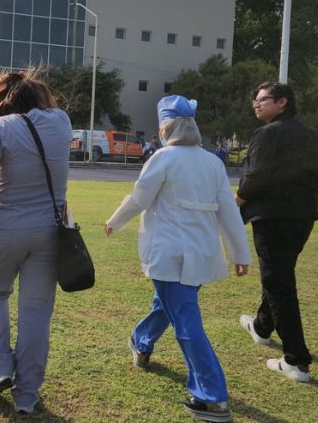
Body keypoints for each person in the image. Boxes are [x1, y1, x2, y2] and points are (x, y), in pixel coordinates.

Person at [105, 95, 250, 423]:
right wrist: (240, 253)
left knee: (186, 322)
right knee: (170, 305)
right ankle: (141, 340)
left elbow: (140, 198)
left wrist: (114, 221)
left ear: (165, 127)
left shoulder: (162, 158)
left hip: (169, 252)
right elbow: (229, 210)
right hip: (200, 254)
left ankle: (212, 397)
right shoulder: (213, 162)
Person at [0, 70, 71, 416]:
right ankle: (26, 394)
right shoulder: (62, 121)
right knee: (36, 311)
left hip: (5, 224)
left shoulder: (1, 127)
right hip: (49, 229)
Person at [236, 82, 318, 383]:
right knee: (280, 275)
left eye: (262, 100)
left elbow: (255, 177)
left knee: (278, 282)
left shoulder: (266, 134)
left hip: (272, 216)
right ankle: (261, 327)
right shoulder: (313, 136)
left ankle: (296, 361)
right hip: (303, 216)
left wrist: (236, 204)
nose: (256, 104)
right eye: (255, 100)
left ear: (282, 102)